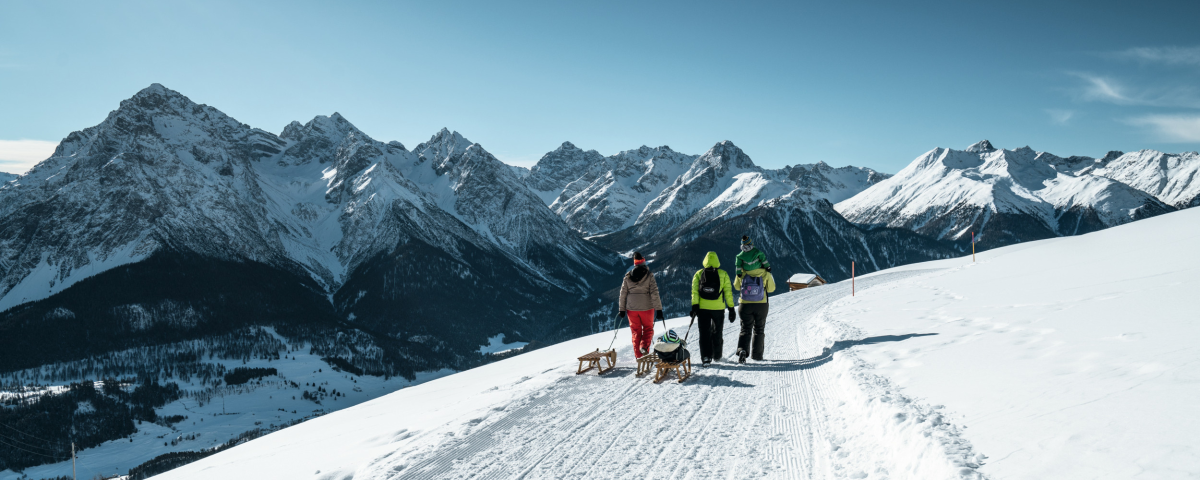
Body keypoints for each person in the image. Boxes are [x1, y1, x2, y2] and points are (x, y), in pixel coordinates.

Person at [690, 251, 735, 366]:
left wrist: (695, 306)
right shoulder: (723, 274)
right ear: (717, 261)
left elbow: (694, 292)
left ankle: (706, 357)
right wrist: (731, 308)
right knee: (717, 332)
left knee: (704, 333)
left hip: (703, 309)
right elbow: (728, 293)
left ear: (705, 261)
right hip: (718, 308)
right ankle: (717, 355)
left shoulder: (698, 274)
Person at [618, 252, 664, 358]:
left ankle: (639, 357)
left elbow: (623, 294)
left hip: (631, 309)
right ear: (644, 263)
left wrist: (622, 309)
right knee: (648, 329)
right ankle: (644, 347)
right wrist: (659, 309)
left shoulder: (627, 276)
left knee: (635, 332)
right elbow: (654, 293)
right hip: (647, 308)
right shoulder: (649, 276)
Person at [733, 264, 776, 363]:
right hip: (761, 305)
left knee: (745, 328)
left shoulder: (742, 271)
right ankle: (757, 355)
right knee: (759, 329)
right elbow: (771, 289)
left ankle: (742, 350)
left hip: (745, 305)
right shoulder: (765, 272)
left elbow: (736, 287)